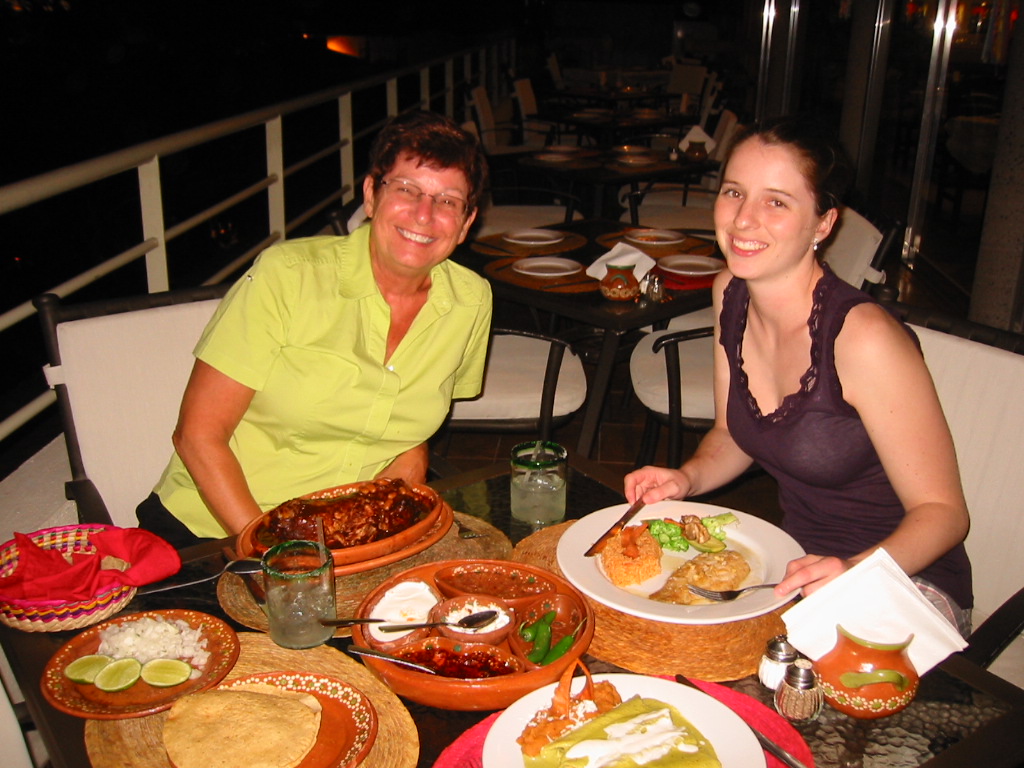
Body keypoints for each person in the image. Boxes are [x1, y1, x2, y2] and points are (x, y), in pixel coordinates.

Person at [624, 117, 972, 633]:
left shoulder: (862, 337)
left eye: (777, 202)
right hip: (793, 571)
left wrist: (854, 570)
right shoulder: (731, 293)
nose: (743, 219)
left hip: (904, 584)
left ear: (823, 223)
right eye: (734, 192)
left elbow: (944, 512)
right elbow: (732, 433)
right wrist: (687, 477)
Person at [137, 110, 493, 548]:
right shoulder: (287, 277)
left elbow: (412, 429)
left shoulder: (471, 301)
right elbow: (197, 436)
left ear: (466, 222)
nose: (424, 213)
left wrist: (400, 487)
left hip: (350, 540)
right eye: (406, 189)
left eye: (448, 201)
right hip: (214, 533)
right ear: (371, 194)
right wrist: (280, 558)